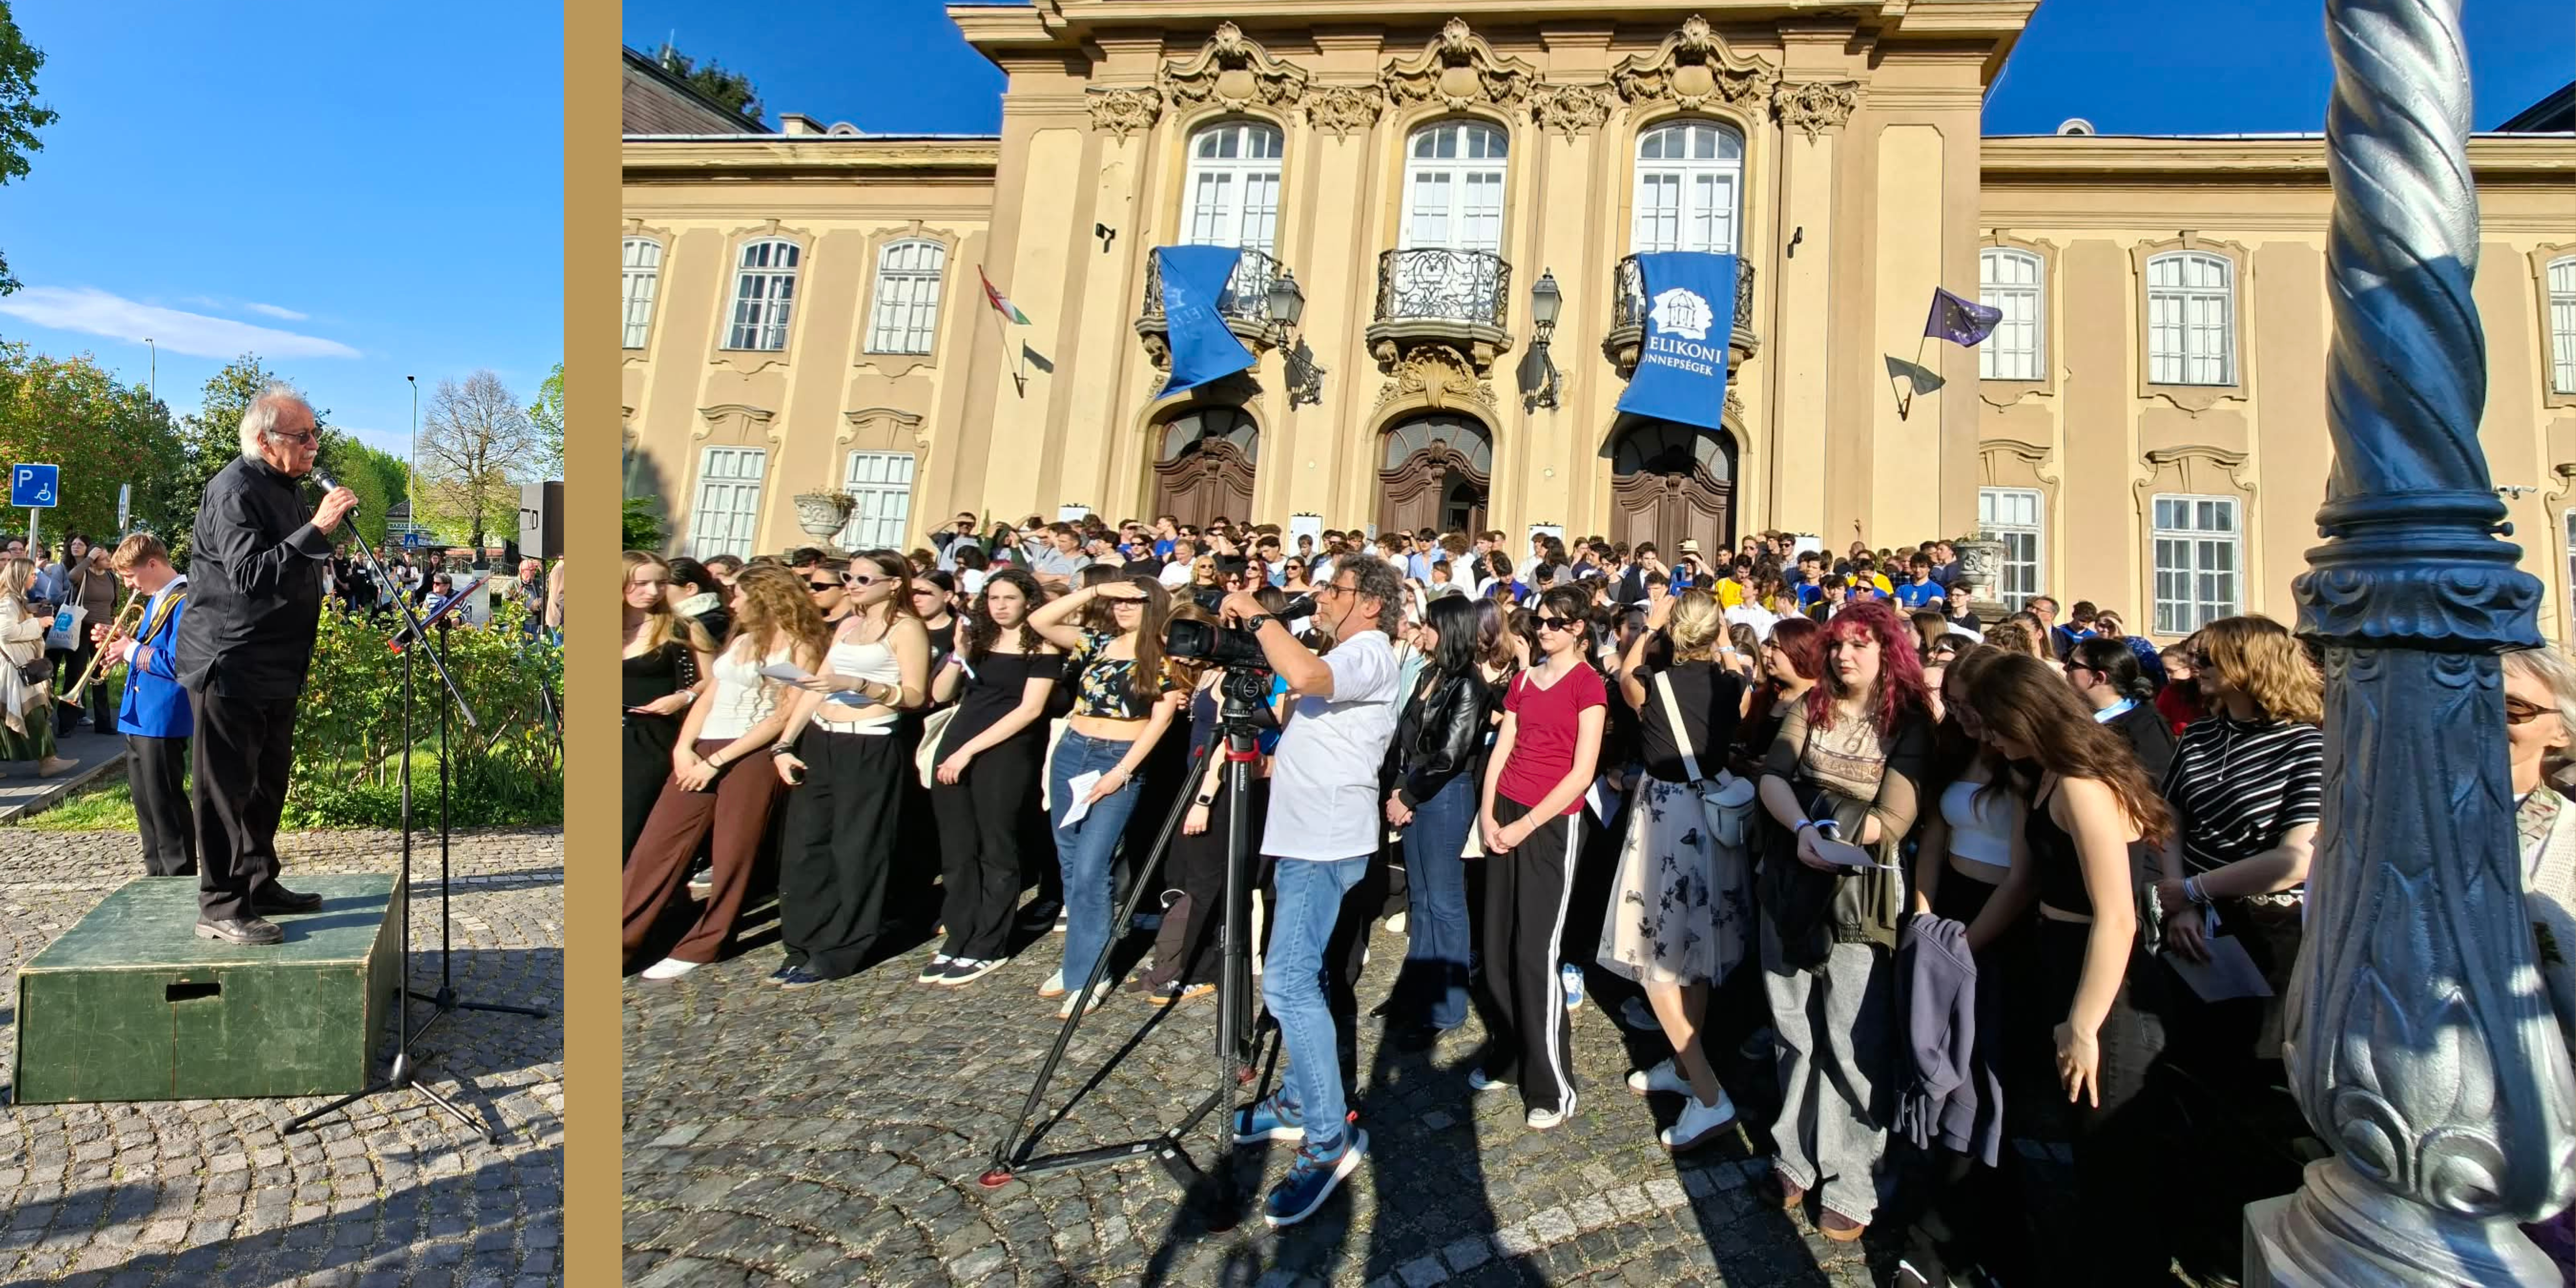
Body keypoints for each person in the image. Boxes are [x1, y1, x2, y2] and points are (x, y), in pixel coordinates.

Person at [1965, 651, 2172, 1283]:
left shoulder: (2081, 783)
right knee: (2085, 1149)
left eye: (1998, 727)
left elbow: (2117, 917)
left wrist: (2082, 1025)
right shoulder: (2046, 773)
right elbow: (2026, 880)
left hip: (2108, 984)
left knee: (2112, 1150)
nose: (1991, 742)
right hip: (2061, 959)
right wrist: (1958, 947)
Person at [1221, 553, 1405, 1228]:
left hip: (1323, 841)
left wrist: (1262, 616)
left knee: (1288, 983)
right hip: (1306, 833)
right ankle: (1299, 1101)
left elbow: (1304, 673)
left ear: (1371, 603)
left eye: (1336, 588)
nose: (1322, 597)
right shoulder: (1348, 649)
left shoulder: (1369, 653)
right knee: (1312, 977)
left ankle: (1329, 1143)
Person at [2144, 614, 2323, 1278]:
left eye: (2211, 659)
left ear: (2253, 665)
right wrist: (2175, 890)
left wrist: (2193, 889)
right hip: (2193, 918)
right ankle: (2195, 1221)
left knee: (2255, 1086)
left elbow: (2293, 858)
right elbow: (2170, 818)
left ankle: (2242, 1236)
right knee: (2190, 1070)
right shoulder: (2203, 735)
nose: (2198, 667)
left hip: (2265, 929)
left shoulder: (2305, 744)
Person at [1753, 600, 1931, 1242]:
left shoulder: (1907, 725)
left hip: (1859, 898)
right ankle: (1793, 1152)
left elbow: (1896, 817)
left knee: (1853, 1040)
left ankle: (1851, 1174)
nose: (1843, 655)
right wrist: (1803, 827)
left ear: (1887, 653)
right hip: (1789, 878)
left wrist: (1820, 823)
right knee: (1793, 1026)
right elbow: (1772, 776)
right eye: (1836, 644)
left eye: (1860, 644)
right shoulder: (1810, 706)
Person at [174, 384, 359, 945]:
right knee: (225, 789)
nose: (314, 445)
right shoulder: (233, 489)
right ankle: (221, 904)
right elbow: (250, 575)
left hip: (277, 662)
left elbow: (294, 564)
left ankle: (257, 880)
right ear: (263, 439)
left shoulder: (287, 487)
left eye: (314, 434)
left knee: (266, 784)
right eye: (302, 436)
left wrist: (320, 537)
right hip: (230, 661)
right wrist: (318, 528)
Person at [1601, 588, 1748, 1151]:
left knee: (1655, 959)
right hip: (1710, 816)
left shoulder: (1654, 685)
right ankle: (1687, 1067)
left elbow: (1626, 673)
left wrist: (1651, 624)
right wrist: (1728, 641)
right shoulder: (1731, 684)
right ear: (1715, 634)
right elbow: (1738, 681)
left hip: (1666, 818)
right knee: (1696, 952)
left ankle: (1710, 1096)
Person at [624, 565, 825, 977]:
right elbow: (709, 697)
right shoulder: (743, 640)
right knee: (656, 849)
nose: (731, 602)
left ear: (765, 599)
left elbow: (782, 715)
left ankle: (705, 943)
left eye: (739, 595)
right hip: (703, 746)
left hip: (752, 754)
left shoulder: (802, 646)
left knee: (735, 853)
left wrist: (719, 761)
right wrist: (684, 748)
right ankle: (623, 938)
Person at [1469, 584, 1608, 1129]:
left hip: (1551, 823)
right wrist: (1488, 814)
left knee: (1535, 949)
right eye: (1539, 622)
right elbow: (1504, 746)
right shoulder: (1525, 679)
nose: (1543, 630)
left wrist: (1526, 824)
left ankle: (1551, 1082)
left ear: (1577, 629)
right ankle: (1509, 1051)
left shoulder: (1588, 685)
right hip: (1505, 810)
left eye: (1553, 623)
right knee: (1496, 942)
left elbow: (1583, 770)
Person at [767, 551, 931, 988]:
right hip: (823, 739)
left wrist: (857, 685)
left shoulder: (907, 629)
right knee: (807, 847)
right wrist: (785, 743)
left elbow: (916, 696)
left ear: (894, 583)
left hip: (871, 743)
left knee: (857, 848)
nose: (853, 584)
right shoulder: (848, 626)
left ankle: (841, 947)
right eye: (848, 577)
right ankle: (802, 942)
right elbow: (814, 688)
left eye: (863, 577)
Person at [1026, 576, 1177, 1016]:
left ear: (1154, 605)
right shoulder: (1096, 642)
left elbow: (1162, 719)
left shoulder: (1163, 652)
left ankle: (1093, 971)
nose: (1125, 608)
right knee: (1071, 861)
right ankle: (1077, 964)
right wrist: (1095, 592)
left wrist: (1122, 771)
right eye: (1121, 601)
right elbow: (1041, 619)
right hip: (1073, 750)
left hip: (1119, 758)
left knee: (1094, 867)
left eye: (1136, 601)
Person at [925, 569, 1063, 985]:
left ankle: (989, 942)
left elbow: (1029, 710)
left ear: (1028, 603)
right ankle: (960, 935)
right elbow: (942, 693)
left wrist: (969, 751)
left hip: (1005, 753)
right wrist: (959, 653)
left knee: (996, 846)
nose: (1000, 606)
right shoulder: (981, 643)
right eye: (994, 598)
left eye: (1010, 598)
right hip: (959, 742)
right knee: (958, 847)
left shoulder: (1042, 646)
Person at [1380, 593, 1495, 1046]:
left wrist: (1407, 794)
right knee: (1421, 899)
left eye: (1428, 623)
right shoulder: (1431, 674)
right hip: (1415, 790)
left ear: (1448, 630)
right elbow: (1408, 738)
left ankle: (1446, 1008)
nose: (1420, 629)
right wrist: (1398, 787)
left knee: (1445, 901)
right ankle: (1417, 992)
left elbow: (1450, 754)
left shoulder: (1469, 684)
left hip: (1445, 796)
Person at [94, 535, 196, 876]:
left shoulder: (186, 599)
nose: (127, 585)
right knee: (146, 807)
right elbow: (145, 648)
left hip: (164, 715)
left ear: (153, 564)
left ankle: (178, 877)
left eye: (130, 576)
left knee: (166, 804)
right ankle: (156, 876)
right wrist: (122, 640)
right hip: (137, 716)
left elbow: (183, 663)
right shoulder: (156, 598)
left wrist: (131, 650)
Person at [622, 552, 701, 862]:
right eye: (641, 583)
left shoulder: (680, 628)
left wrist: (684, 697)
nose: (653, 592)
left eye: (661, 583)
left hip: (652, 737)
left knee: (631, 826)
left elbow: (711, 680)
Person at [2066, 635, 2177, 782]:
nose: (2064, 668)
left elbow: (2159, 788)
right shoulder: (2079, 717)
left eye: (2073, 665)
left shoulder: (2146, 727)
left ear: (2099, 678)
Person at [0, 556, 72, 779]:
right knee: (35, 712)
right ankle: (48, 762)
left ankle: (48, 760)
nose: (35, 577)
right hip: (16, 669)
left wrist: (30, 611)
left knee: (15, 716)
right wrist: (38, 624)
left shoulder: (13, 599)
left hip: (17, 666)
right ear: (21, 575)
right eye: (32, 574)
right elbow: (5, 631)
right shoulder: (8, 601)